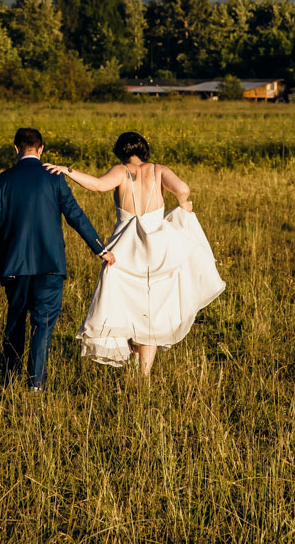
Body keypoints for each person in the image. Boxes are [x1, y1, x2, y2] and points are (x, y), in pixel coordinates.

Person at [48, 131, 224, 376]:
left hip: (126, 247)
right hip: (157, 249)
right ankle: (144, 376)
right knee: (152, 312)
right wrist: (183, 203)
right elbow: (183, 189)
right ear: (144, 150)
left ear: (121, 152)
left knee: (123, 304)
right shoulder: (159, 170)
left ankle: (132, 358)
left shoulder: (121, 171)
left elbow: (98, 186)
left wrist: (67, 170)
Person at [0, 126, 115, 390]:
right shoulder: (54, 178)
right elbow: (76, 216)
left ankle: (8, 382)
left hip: (14, 267)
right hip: (51, 266)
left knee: (15, 322)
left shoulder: (1, 181)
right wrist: (101, 248)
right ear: (41, 149)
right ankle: (35, 386)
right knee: (42, 325)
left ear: (15, 148)